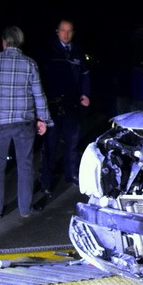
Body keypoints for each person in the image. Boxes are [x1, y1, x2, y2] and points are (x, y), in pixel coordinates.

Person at [0, 26, 52, 219]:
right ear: (20, 42)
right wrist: (43, 119)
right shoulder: (29, 63)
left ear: (4, 42)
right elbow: (39, 94)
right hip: (24, 122)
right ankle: (25, 209)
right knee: (25, 165)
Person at [39, 19, 91, 194]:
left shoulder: (78, 52)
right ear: (57, 32)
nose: (66, 34)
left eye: (69, 31)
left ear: (73, 33)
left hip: (72, 105)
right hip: (53, 106)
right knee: (50, 145)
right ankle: (47, 179)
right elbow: (41, 79)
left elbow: (85, 75)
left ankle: (72, 174)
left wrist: (85, 93)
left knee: (72, 143)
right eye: (63, 31)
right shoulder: (49, 52)